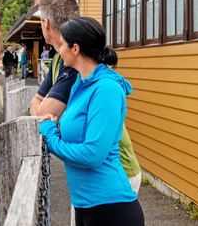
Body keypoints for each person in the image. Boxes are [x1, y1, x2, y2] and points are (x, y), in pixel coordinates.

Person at [29, 0, 142, 193]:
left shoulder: (78, 67)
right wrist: (43, 114)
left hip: (111, 176)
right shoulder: (62, 60)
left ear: (46, 23)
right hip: (90, 180)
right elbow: (38, 105)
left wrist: (47, 127)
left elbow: (43, 114)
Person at [39, 17, 144, 225]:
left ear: (75, 48)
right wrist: (54, 128)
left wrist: (50, 135)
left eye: (62, 45)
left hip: (111, 209)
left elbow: (92, 154)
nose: (59, 50)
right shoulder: (81, 83)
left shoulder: (106, 89)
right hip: (85, 206)